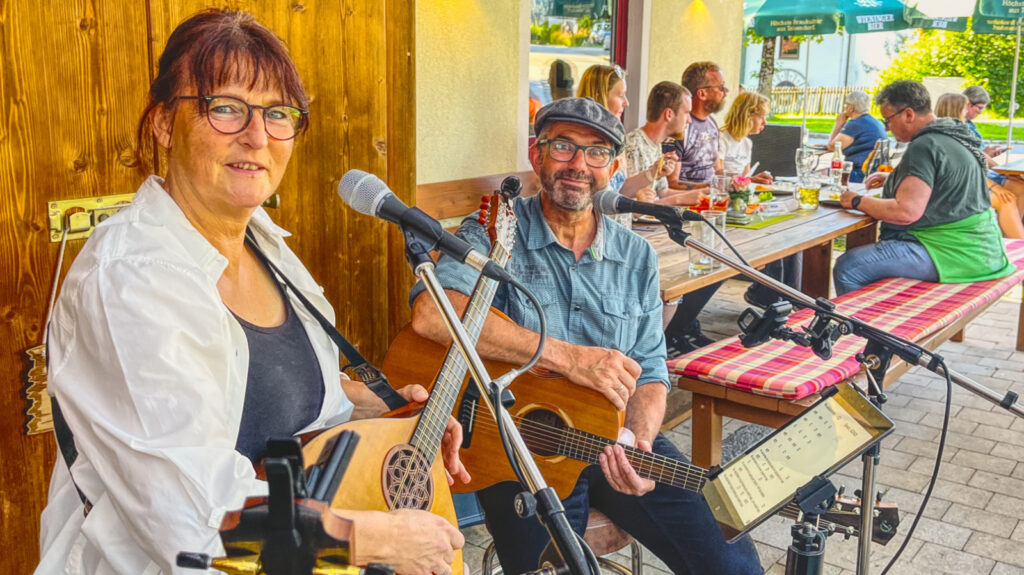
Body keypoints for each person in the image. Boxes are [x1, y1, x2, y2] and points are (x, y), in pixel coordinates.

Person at [36, 10, 467, 575]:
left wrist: (391, 413)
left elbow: (268, 395)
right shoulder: (129, 281)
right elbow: (193, 519)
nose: (257, 135)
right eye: (225, 108)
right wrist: (375, 542)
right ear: (165, 124)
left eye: (277, 112)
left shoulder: (266, 245)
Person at [409, 97, 762, 575]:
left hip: (611, 439)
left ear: (614, 168)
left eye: (596, 153)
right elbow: (433, 313)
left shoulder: (636, 255)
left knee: (732, 559)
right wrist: (566, 358)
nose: (578, 165)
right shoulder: (496, 231)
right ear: (536, 156)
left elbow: (652, 371)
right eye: (563, 147)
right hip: (513, 444)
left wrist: (639, 439)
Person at [834, 80, 1014, 294]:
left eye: (888, 120)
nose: (885, 128)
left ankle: (867, 327)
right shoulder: (954, 134)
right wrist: (896, 176)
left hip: (954, 253)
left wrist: (855, 200)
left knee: (849, 267)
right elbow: (943, 177)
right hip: (984, 249)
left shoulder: (924, 145)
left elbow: (906, 212)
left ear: (909, 114)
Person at [576, 65, 676, 227]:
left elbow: (619, 188)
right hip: (594, 232)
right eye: (621, 96)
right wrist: (634, 206)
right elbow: (588, 199)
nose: (626, 103)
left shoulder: (615, 138)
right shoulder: (583, 143)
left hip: (618, 231)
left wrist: (652, 172)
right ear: (599, 96)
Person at [935, 93, 1024, 239]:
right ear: (956, 110)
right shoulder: (949, 134)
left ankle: (1010, 239)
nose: (966, 112)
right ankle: (1014, 242)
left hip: (964, 181)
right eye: (964, 108)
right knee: (1008, 198)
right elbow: (964, 168)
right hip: (955, 187)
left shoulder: (954, 131)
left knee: (1016, 187)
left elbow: (973, 160)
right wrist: (994, 186)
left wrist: (1001, 173)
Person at [624, 81, 699, 207]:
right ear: (669, 114)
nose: (690, 120)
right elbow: (627, 199)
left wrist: (704, 193)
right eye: (686, 113)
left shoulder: (657, 145)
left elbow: (662, 192)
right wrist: (678, 200)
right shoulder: (633, 144)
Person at [674, 61, 726, 189]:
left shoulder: (712, 123)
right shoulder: (680, 127)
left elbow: (718, 170)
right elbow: (672, 183)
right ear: (702, 94)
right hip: (688, 202)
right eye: (721, 87)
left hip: (712, 198)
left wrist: (745, 181)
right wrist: (710, 187)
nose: (726, 91)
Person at [826, 91, 886, 184]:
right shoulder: (876, 122)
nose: (845, 107)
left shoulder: (855, 124)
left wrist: (839, 124)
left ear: (851, 108)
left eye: (846, 104)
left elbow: (832, 147)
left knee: (819, 173)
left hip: (858, 174)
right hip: (873, 172)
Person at [718, 91, 773, 184]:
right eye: (761, 117)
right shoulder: (721, 139)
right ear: (746, 116)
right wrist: (750, 179)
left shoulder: (747, 143)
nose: (765, 122)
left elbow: (745, 179)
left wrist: (754, 178)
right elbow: (718, 177)